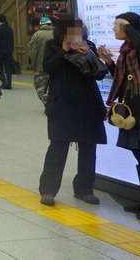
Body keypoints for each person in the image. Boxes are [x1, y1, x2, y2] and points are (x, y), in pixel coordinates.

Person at [38, 16, 108, 207]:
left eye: (78, 29)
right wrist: (64, 50)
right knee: (58, 147)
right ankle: (48, 190)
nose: (75, 34)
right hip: (63, 104)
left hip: (88, 104)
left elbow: (99, 74)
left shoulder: (89, 45)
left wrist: (89, 55)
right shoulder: (53, 45)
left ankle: (84, 189)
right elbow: (48, 67)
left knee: (88, 147)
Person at [97, 12, 140, 217]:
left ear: (129, 29)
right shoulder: (127, 51)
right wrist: (109, 62)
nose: (113, 29)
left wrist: (130, 28)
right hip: (132, 113)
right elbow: (125, 78)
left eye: (117, 25)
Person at [0, 13, 15, 89]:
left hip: (0, 51)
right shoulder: (9, 29)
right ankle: (9, 82)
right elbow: (12, 40)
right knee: (8, 67)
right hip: (9, 51)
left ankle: (4, 81)